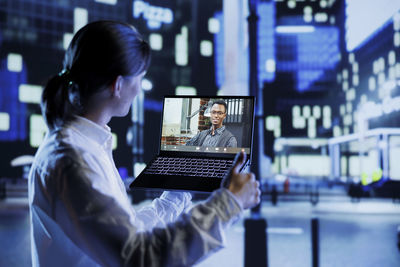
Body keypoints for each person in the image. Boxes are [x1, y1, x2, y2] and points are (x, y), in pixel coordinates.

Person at [28, 20, 260, 267]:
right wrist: (229, 204)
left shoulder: (84, 147)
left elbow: (122, 234)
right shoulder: (73, 161)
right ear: (118, 85)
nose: (139, 89)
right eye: (140, 77)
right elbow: (140, 257)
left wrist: (176, 195)